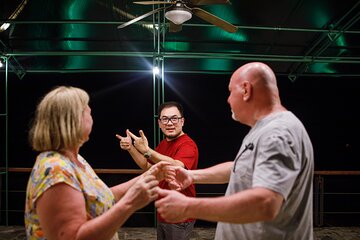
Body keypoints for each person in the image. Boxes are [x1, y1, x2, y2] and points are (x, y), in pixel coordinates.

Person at [155, 62, 314, 240]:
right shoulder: (263, 129)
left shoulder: (277, 134)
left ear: (246, 90)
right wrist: (193, 176)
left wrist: (188, 207)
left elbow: (266, 203)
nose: (228, 99)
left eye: (231, 91)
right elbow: (240, 168)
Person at [24, 86, 173, 240]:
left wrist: (152, 174)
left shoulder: (76, 160)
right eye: (86, 109)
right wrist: (130, 203)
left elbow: (102, 197)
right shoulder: (55, 169)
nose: (90, 112)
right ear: (73, 119)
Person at [116, 101, 199, 240]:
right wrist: (131, 148)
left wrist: (147, 150)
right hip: (164, 212)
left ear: (182, 121)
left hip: (180, 215)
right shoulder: (163, 144)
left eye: (174, 118)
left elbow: (176, 166)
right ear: (159, 123)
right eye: (165, 119)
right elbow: (147, 167)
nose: (170, 123)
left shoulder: (188, 145)